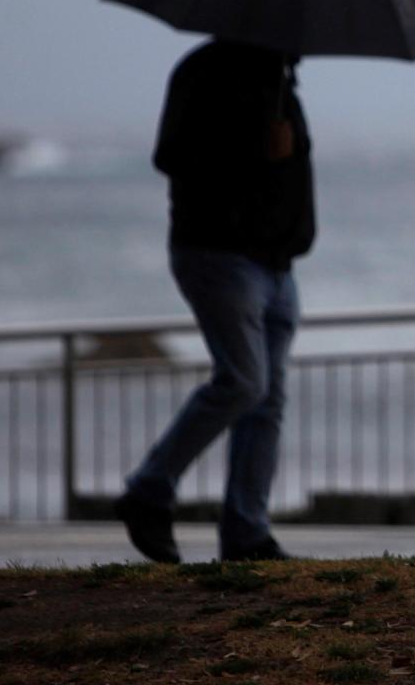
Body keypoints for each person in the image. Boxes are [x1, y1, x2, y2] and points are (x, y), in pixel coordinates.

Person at [114, 38, 314, 564]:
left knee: (266, 400)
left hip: (277, 263)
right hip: (219, 255)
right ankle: (149, 489)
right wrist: (258, 148)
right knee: (244, 382)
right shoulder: (205, 70)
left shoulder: (281, 79)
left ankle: (247, 532)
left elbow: (289, 169)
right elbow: (173, 156)